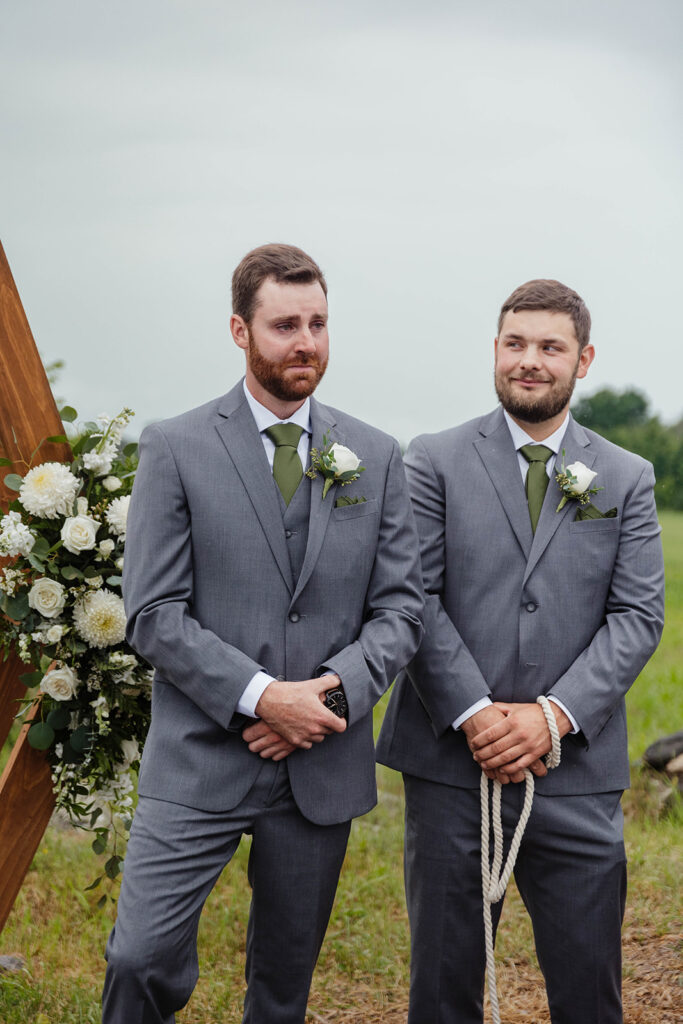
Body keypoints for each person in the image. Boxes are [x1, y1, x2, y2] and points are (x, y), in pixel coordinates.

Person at [102, 243, 424, 1024]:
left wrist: (325, 696)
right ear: (240, 331)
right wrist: (260, 698)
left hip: (320, 757)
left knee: (282, 988)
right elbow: (151, 612)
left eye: (317, 323)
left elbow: (401, 611)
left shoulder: (375, 456)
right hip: (200, 755)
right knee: (138, 959)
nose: (305, 342)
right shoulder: (175, 448)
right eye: (285, 325)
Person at [377, 279, 665, 1024]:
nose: (528, 361)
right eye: (515, 344)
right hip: (449, 768)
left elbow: (636, 615)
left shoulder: (626, 476)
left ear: (583, 359)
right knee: (442, 991)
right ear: (495, 350)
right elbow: (414, 598)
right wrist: (475, 714)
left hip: (573, 771)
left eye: (549, 347)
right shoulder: (432, 459)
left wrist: (551, 717)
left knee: (587, 988)